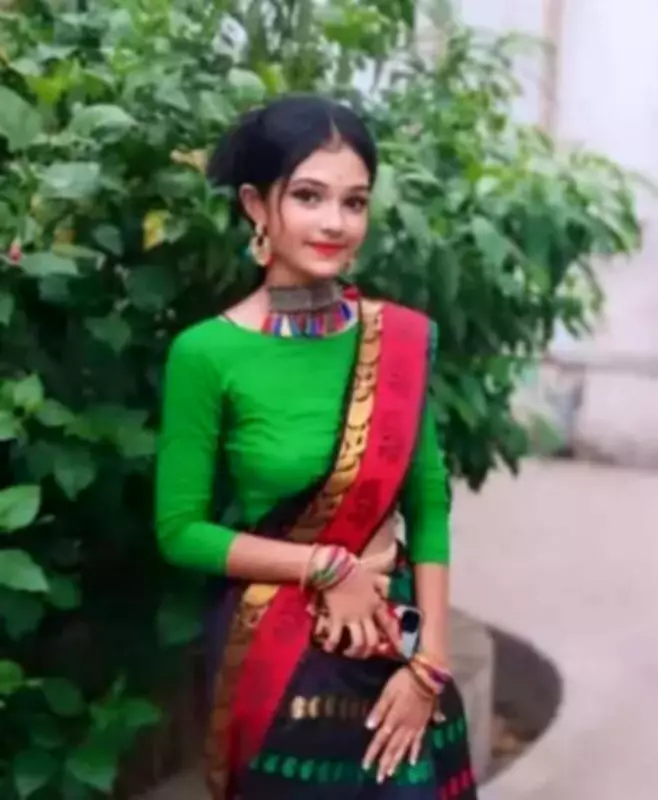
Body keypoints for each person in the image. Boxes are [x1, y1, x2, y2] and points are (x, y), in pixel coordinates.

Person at [155, 94, 477, 800]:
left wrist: (430, 665)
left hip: (400, 650)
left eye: (354, 202)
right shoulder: (206, 354)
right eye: (308, 196)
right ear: (256, 206)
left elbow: (428, 505)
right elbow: (180, 531)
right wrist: (326, 566)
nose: (335, 222)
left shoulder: (398, 341)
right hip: (281, 666)